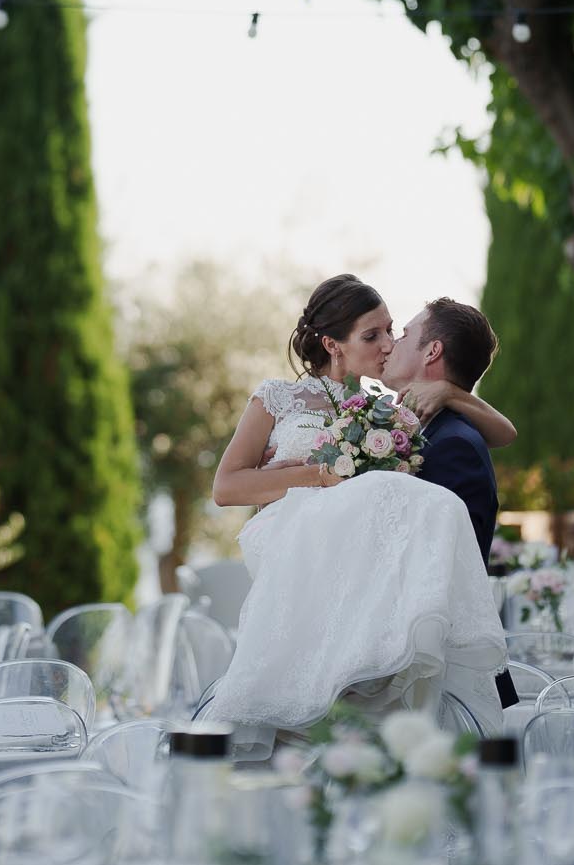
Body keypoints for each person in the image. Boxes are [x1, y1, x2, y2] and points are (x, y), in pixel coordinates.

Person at [198, 274, 511, 738]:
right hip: (296, 564)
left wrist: (448, 392)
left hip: (350, 587)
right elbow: (226, 487)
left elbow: (501, 433)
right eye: (373, 335)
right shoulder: (277, 398)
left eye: (391, 330)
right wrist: (315, 475)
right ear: (332, 344)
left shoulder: (390, 412)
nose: (387, 344)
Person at [381, 297, 521, 709]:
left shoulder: (452, 445)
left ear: (432, 350)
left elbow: (430, 574)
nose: (390, 345)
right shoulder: (427, 429)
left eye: (403, 334)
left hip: (436, 680)